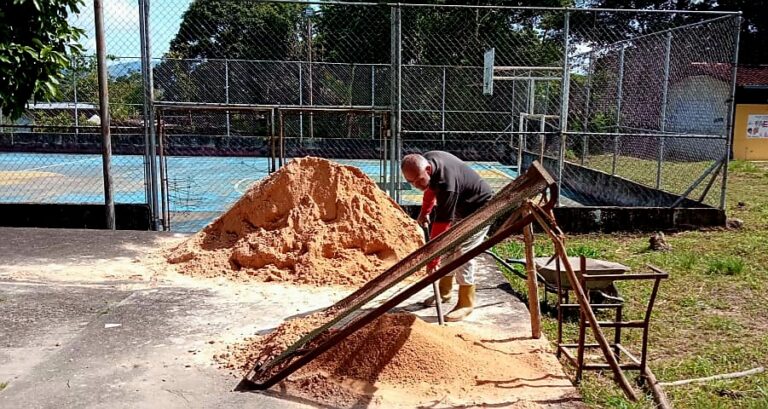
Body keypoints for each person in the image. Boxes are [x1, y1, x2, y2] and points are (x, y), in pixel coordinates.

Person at [401, 151, 493, 321]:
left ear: (428, 170)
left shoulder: (446, 183)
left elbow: (441, 227)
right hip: (461, 206)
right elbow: (430, 188)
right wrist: (425, 211)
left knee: (462, 252)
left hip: (481, 208)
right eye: (411, 182)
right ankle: (444, 291)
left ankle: (466, 302)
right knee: (449, 248)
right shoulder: (429, 162)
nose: (416, 185)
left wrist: (433, 258)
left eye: (419, 180)